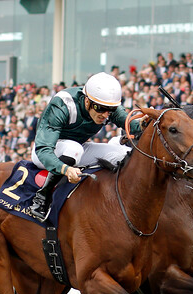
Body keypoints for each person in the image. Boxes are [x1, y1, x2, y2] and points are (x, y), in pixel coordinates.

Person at [29, 72, 142, 221]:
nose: (105, 115)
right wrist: (66, 169)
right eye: (100, 108)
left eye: (111, 110)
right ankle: (42, 197)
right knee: (74, 149)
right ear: (87, 101)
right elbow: (44, 149)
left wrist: (147, 123)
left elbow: (133, 126)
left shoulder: (106, 106)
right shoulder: (63, 104)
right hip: (47, 151)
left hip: (79, 149)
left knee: (124, 154)